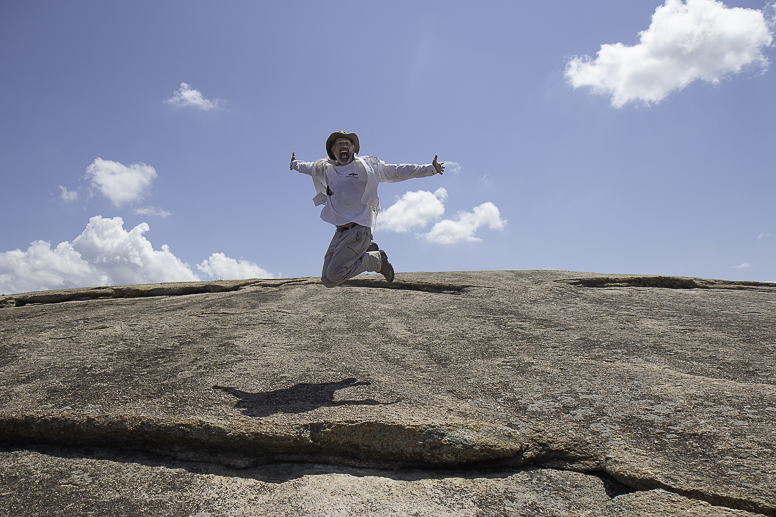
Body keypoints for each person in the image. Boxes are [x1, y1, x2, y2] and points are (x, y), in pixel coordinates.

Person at [290, 131, 444, 287]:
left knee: (335, 274)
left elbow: (397, 171)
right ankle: (364, 250)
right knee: (327, 281)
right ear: (333, 151)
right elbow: (307, 167)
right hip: (340, 232)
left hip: (359, 229)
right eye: (339, 144)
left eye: (347, 143)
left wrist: (430, 169)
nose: (343, 146)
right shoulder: (326, 168)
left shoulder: (368, 167)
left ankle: (376, 260)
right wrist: (294, 164)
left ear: (354, 149)